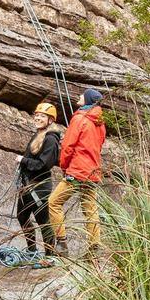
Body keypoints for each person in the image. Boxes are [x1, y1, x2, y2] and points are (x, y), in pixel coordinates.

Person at [47, 88, 107, 257]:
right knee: (90, 209)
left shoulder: (80, 118)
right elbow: (99, 145)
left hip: (78, 170)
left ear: (87, 99)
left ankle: (61, 244)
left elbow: (68, 146)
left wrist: (65, 167)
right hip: (92, 171)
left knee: (53, 203)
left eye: (82, 95)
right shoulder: (100, 123)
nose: (79, 96)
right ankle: (94, 247)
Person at [15, 101, 63, 258]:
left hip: (39, 186)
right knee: (22, 216)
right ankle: (31, 250)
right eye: (37, 115)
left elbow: (44, 164)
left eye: (42, 116)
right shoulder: (38, 135)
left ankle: (50, 255)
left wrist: (23, 160)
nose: (38, 118)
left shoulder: (51, 139)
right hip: (27, 184)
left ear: (50, 120)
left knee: (43, 220)